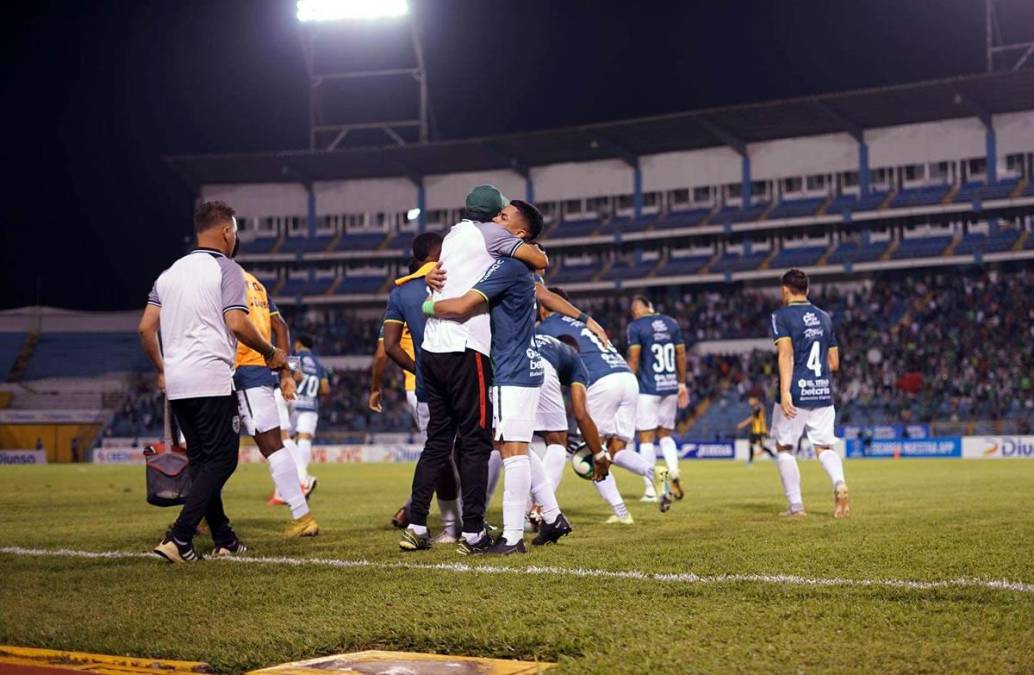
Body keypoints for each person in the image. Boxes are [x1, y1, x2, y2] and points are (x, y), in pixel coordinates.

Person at [402, 187, 549, 554]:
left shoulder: (453, 234)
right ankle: (473, 533)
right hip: (466, 347)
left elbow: (442, 276)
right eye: (501, 212)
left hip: (431, 350)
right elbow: (539, 259)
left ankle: (417, 525)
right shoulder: (493, 234)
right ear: (493, 215)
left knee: (437, 442)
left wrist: (428, 292)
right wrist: (428, 306)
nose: (502, 217)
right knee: (476, 443)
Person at [139, 201, 287, 563]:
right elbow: (236, 322)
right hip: (211, 379)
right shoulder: (227, 269)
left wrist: (162, 367)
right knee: (223, 460)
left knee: (204, 462)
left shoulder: (169, 273)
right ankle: (180, 537)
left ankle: (225, 539)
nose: (235, 238)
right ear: (226, 232)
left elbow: (145, 328)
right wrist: (270, 351)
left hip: (178, 384)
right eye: (234, 231)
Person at [427, 253, 572, 554]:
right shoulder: (525, 274)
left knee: (512, 450)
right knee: (510, 444)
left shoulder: (508, 267)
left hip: (511, 368)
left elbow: (463, 304)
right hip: (525, 364)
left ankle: (513, 537)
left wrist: (426, 303)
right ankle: (553, 516)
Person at [538, 288, 673, 516]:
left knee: (594, 452)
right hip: (626, 378)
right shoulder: (581, 322)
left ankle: (622, 515)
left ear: (543, 305)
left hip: (601, 382)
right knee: (616, 451)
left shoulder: (547, 327)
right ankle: (653, 472)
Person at [378, 233, 463, 543]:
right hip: (467, 378)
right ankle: (484, 523)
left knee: (439, 454)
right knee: (480, 449)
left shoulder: (401, 293)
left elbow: (389, 346)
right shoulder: (456, 279)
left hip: (429, 386)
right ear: (438, 253)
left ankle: (448, 526)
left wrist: (419, 368)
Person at [233, 269, 319, 537]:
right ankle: (203, 514)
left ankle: (302, 514)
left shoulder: (222, 279)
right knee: (275, 443)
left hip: (240, 370)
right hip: (259, 372)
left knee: (271, 445)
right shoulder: (256, 284)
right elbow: (281, 326)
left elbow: (235, 323)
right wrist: (285, 373)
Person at [769, 268, 850, 518]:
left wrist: (785, 392)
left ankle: (796, 507)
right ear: (808, 290)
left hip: (796, 391)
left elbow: (785, 354)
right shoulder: (825, 317)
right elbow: (834, 363)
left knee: (784, 448)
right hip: (823, 392)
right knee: (825, 448)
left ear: (785, 290)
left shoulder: (781, 316)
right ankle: (839, 484)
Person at [626, 296, 688, 501]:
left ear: (637, 310)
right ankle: (674, 470)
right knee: (666, 435)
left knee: (646, 438)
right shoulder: (671, 323)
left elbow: (634, 359)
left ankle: (651, 490)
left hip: (647, 388)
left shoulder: (636, 326)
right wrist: (682, 383)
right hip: (670, 386)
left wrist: (628, 383)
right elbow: (681, 354)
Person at [291, 334, 329, 496]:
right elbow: (326, 390)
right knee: (304, 439)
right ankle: (303, 478)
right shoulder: (319, 365)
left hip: (292, 404)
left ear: (298, 344)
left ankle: (296, 480)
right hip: (311, 406)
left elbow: (297, 376)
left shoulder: (294, 357)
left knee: (286, 439)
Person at [737, 394, 776, 464]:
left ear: (755, 399)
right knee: (750, 444)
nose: (749, 401)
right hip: (755, 430)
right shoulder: (757, 407)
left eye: (750, 400)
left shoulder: (758, 407)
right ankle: (750, 461)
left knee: (761, 447)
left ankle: (773, 456)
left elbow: (752, 418)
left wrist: (742, 424)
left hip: (759, 431)